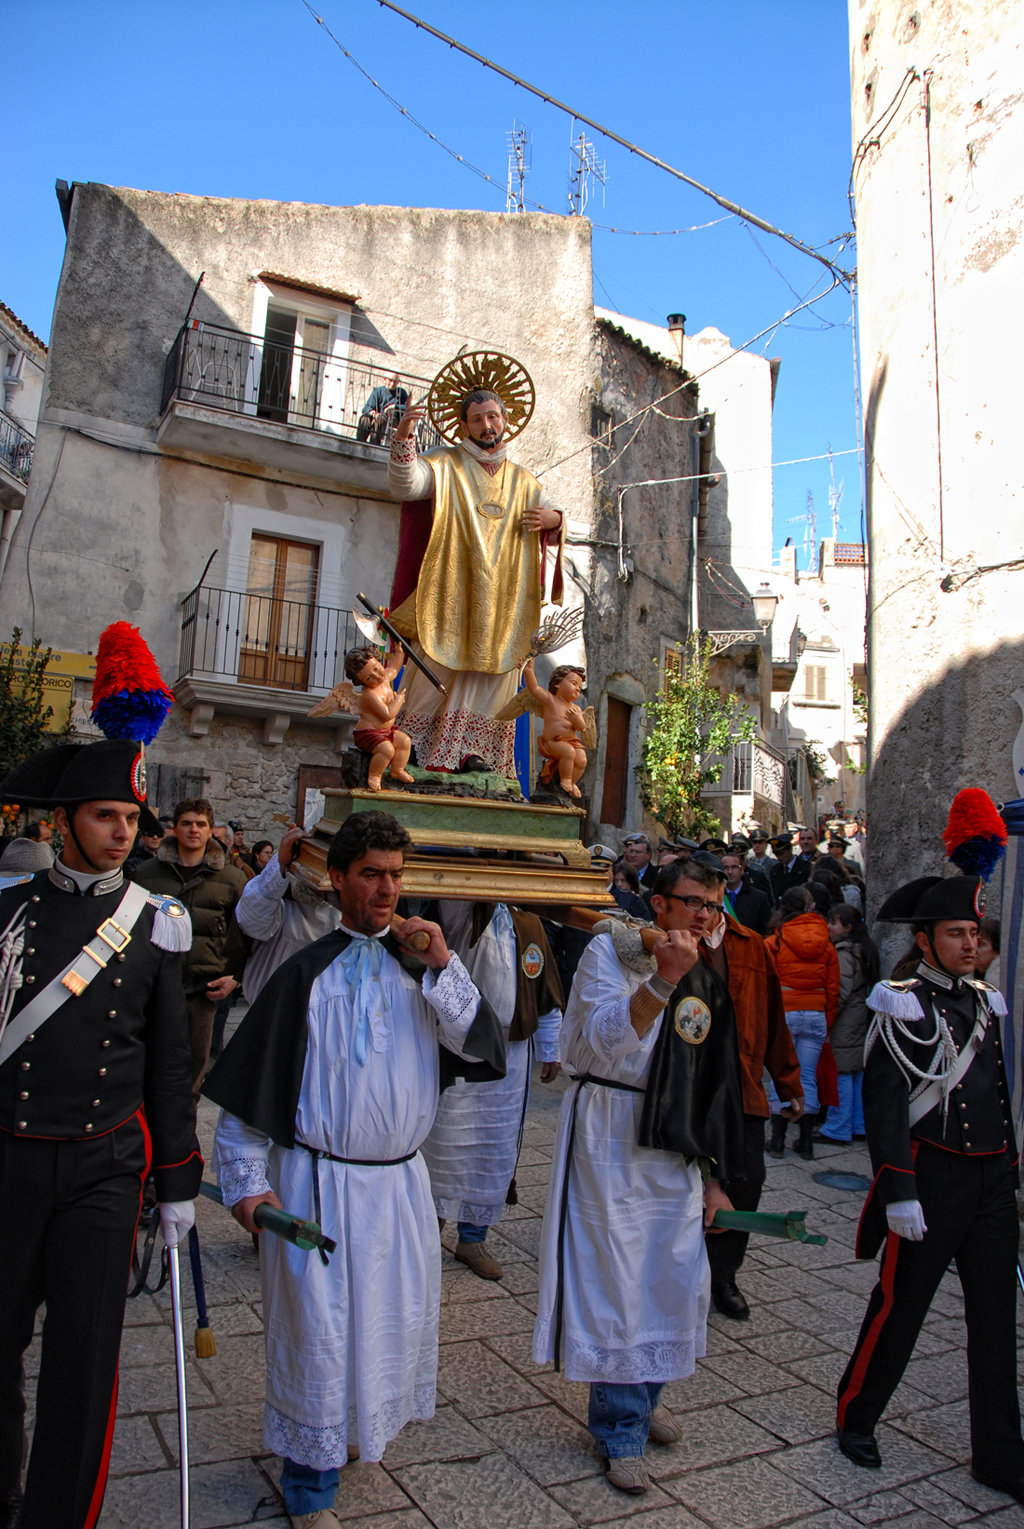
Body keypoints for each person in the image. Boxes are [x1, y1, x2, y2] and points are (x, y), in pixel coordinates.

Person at [204, 811, 504, 1529]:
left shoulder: (422, 967)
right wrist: (249, 1187)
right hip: (317, 1186)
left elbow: (477, 1044)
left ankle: (356, 1436)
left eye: (397, 875)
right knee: (316, 1332)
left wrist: (441, 964)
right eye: (371, 873)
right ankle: (308, 1487)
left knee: (386, 1324)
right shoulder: (303, 975)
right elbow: (249, 1100)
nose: (386, 889)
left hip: (400, 1186)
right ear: (336, 877)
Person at [0, 737, 201, 1529]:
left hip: (104, 1167)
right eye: (104, 815)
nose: (123, 831)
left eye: (130, 816)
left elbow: (169, 1063)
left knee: (82, 1365)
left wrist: (178, 1181)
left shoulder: (155, 925)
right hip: (11, 1155)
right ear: (65, 819)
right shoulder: (8, 912)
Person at [532, 857, 745, 1495]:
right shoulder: (610, 954)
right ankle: (619, 1427)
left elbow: (712, 1083)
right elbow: (597, 1044)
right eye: (692, 902)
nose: (705, 915)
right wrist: (660, 981)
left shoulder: (706, 975)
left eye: (714, 904)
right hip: (611, 1131)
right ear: (659, 906)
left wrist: (714, 1174)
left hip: (673, 1141)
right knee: (617, 1280)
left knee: (674, 1275)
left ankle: (646, 1398)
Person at [835, 873, 1024, 1499]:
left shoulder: (986, 1001)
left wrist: (1012, 1172)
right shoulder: (902, 1001)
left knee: (996, 1320)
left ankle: (999, 1453)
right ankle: (856, 1415)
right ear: (925, 939)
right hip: (933, 1176)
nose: (970, 945)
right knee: (901, 1307)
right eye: (956, 934)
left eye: (974, 933)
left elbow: (996, 1095)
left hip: (992, 1178)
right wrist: (899, 1190)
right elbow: (886, 1105)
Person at [386, 366, 565, 776]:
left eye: (494, 416)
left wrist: (554, 519)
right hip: (451, 586)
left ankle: (472, 752)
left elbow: (552, 515)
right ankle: (411, 745)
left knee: (495, 670)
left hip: (505, 596)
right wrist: (403, 441)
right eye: (479, 418)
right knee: (434, 664)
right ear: (464, 424)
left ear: (506, 419)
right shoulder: (445, 464)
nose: (488, 425)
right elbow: (407, 486)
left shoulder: (525, 481)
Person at [421, 900, 562, 1279]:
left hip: (511, 1054)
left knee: (493, 1149)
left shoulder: (529, 921)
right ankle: (426, 1235)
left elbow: (544, 992)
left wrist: (550, 1048)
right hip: (458, 1043)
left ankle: (472, 1239)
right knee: (443, 1145)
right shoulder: (461, 911)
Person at [696, 868, 803, 1320]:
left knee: (746, 1182)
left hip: (744, 1087)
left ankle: (724, 1274)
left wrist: (788, 1083)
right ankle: (686, 1273)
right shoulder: (674, 943)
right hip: (693, 1088)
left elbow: (774, 1017)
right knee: (693, 1185)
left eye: (711, 895)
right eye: (694, 897)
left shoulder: (752, 945)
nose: (704, 908)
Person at [132, 798, 249, 1098]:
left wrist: (234, 976)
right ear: (175, 829)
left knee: (191, 1074)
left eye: (200, 824)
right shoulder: (146, 874)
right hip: (152, 986)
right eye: (186, 823)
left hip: (201, 990)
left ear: (211, 831)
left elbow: (241, 934)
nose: (193, 830)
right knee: (145, 1069)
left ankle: (182, 1137)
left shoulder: (232, 878)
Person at [765, 887, 840, 1159]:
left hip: (785, 1011)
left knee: (780, 1074)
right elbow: (833, 990)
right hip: (816, 1013)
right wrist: (827, 1023)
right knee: (808, 1077)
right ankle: (806, 1142)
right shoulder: (827, 944)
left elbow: (767, 982)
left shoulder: (776, 941)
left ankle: (776, 1141)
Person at [815, 904, 878, 1145]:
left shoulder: (844, 953)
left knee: (841, 1070)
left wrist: (829, 1019)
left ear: (847, 927)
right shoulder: (863, 949)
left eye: (834, 922)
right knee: (855, 1071)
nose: (829, 927)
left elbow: (839, 992)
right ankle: (858, 1124)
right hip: (858, 1018)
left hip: (846, 1020)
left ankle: (838, 1127)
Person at [523, 659, 588, 798]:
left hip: (573, 741)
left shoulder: (576, 708)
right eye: (573, 683)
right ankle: (565, 779)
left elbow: (582, 727)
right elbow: (534, 689)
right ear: (558, 683)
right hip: (553, 742)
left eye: (579, 687)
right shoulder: (550, 700)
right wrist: (528, 671)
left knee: (582, 760)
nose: (577, 688)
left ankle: (573, 782)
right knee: (568, 752)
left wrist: (576, 719)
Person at [721, 850, 771, 936]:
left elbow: (766, 930)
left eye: (734, 867)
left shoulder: (759, 898)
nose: (730, 872)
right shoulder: (715, 896)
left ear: (742, 869)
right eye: (726, 868)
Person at [356, 373, 409, 445]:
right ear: (385, 379)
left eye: (395, 381)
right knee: (365, 418)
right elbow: (366, 408)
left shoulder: (402, 393)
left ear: (398, 382)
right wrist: (374, 413)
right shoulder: (378, 391)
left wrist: (395, 407)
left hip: (393, 420)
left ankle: (374, 445)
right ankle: (359, 443)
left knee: (379, 420)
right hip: (379, 416)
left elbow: (407, 407)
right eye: (390, 380)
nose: (392, 383)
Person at [768, 833, 811, 903]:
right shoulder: (775, 871)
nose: (778, 857)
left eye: (781, 853)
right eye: (776, 854)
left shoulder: (806, 868)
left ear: (789, 849)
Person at [976, 915, 1000, 984]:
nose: (973, 948)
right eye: (973, 942)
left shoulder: (1004, 983)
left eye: (980, 944)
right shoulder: (962, 978)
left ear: (996, 951)